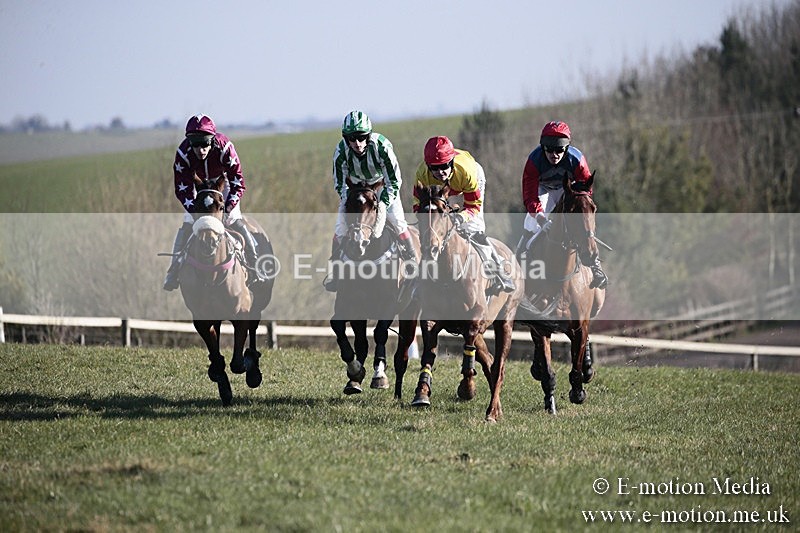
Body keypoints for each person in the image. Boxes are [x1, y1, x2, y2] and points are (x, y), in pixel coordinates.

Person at [163, 113, 262, 291]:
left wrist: (228, 207)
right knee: (188, 224)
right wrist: (195, 210)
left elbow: (238, 182)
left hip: (221, 185)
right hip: (197, 187)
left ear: (213, 140)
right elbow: (182, 188)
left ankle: (254, 264)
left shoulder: (225, 148)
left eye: (205, 144)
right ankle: (173, 269)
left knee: (234, 220)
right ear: (189, 142)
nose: (200, 150)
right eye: (195, 144)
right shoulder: (183, 154)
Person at [324, 110, 417, 291]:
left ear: (368, 135)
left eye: (361, 137)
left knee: (398, 222)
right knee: (340, 228)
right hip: (355, 190)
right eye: (352, 138)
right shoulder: (340, 152)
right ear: (346, 138)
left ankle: (412, 260)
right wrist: (347, 202)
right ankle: (335, 271)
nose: (357, 144)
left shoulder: (381, 147)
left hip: (382, 187)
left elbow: (395, 181)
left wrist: (382, 204)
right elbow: (339, 184)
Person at [412, 135, 515, 294]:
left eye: (445, 166)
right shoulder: (422, 175)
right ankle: (419, 279)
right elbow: (417, 205)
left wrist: (461, 217)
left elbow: (473, 206)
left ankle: (499, 270)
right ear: (427, 166)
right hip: (441, 192)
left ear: (451, 162)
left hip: (468, 182)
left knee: (473, 229)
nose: (440, 172)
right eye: (435, 168)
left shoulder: (466, 172)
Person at [519, 120, 608, 289]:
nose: (555, 154)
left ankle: (596, 267)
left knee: (583, 220)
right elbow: (530, 197)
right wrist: (540, 218)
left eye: (559, 150)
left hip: (568, 190)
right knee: (530, 222)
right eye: (550, 150)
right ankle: (519, 262)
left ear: (566, 148)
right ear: (543, 148)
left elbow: (585, 193)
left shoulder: (577, 160)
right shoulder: (534, 161)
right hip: (542, 189)